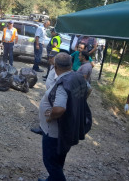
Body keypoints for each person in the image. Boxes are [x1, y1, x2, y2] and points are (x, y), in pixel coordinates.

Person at [38, 53, 91, 181]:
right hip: (67, 129)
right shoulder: (77, 77)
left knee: (50, 162)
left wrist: (51, 115)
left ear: (55, 66)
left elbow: (59, 109)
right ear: (71, 65)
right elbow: (88, 90)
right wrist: (75, 104)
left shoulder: (63, 83)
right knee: (59, 159)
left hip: (54, 133)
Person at [31, 50, 59, 135]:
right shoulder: (52, 66)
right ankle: (43, 127)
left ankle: (45, 130)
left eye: (52, 57)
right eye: (49, 57)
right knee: (44, 108)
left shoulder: (58, 69)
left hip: (53, 94)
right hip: (49, 92)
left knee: (48, 110)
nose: (49, 59)